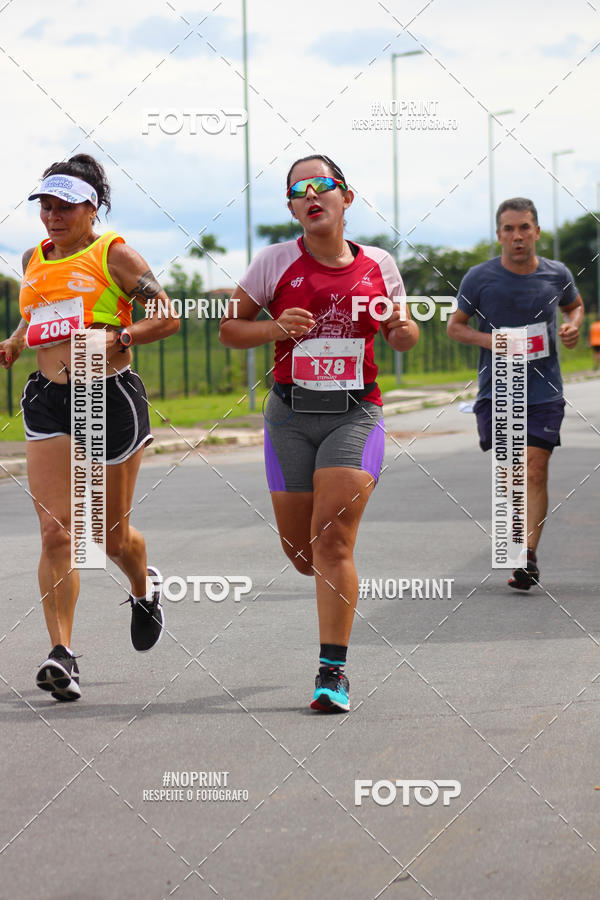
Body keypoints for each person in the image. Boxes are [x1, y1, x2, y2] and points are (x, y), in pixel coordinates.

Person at [219, 154, 419, 711]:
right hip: (289, 415)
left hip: (355, 413)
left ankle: (333, 672)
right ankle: (330, 584)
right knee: (301, 553)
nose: (311, 194)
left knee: (332, 542)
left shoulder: (379, 263)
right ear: (291, 207)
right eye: (298, 189)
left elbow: (403, 337)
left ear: (345, 197)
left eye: (322, 184)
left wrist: (403, 327)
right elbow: (230, 330)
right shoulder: (273, 262)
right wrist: (273, 328)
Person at [0, 154, 180, 700]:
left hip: (109, 396)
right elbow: (36, 314)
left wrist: (121, 338)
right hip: (49, 400)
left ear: (92, 208)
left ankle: (144, 588)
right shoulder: (35, 256)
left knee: (108, 534)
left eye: (65, 206)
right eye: (46, 206)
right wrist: (12, 342)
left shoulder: (115, 254)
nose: (52, 216)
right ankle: (62, 654)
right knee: (58, 531)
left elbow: (167, 315)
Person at [447, 197, 584, 589]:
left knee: (535, 468)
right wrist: (491, 341)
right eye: (509, 229)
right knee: (512, 475)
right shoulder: (479, 278)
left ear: (537, 231)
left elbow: (576, 307)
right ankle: (519, 541)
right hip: (498, 390)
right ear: (498, 235)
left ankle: (526, 557)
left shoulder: (557, 274)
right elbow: (455, 327)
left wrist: (573, 326)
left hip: (544, 390)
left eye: (524, 228)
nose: (517, 236)